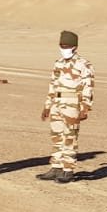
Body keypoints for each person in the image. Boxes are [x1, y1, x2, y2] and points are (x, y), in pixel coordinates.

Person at [39, 30, 94, 183]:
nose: (64, 48)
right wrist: (47, 106)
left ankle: (68, 170)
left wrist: (85, 107)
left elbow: (88, 86)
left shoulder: (83, 64)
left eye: (67, 46)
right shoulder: (58, 63)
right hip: (57, 103)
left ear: (74, 47)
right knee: (57, 136)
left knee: (69, 137)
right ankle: (56, 167)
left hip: (72, 104)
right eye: (62, 45)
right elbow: (53, 85)